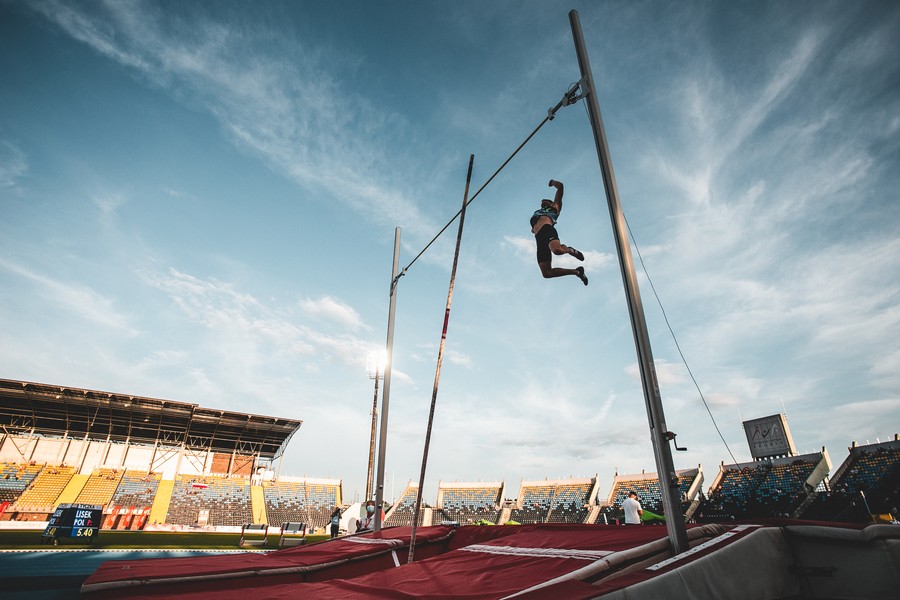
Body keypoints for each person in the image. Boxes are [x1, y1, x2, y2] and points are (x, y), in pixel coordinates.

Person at [530, 179, 588, 285]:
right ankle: (578, 272)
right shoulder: (538, 213)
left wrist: (552, 183)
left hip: (547, 229)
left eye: (546, 200)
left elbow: (560, 186)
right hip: (539, 238)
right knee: (547, 273)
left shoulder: (555, 206)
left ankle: (570, 250)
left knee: (557, 250)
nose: (543, 201)